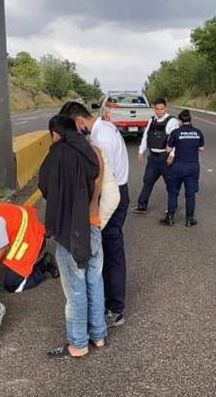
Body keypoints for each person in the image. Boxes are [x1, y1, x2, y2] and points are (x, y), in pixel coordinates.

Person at [39, 115, 107, 359]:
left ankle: (78, 344)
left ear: (55, 133)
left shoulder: (57, 155)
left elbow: (45, 187)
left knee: (75, 289)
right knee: (94, 282)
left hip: (70, 230)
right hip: (94, 223)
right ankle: (98, 336)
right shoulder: (93, 152)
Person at [59, 101, 129, 328]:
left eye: (74, 129)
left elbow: (103, 185)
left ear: (80, 122)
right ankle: (110, 304)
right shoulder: (105, 128)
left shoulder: (100, 141)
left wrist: (96, 222)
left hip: (113, 195)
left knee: (110, 253)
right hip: (118, 190)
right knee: (108, 252)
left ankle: (115, 308)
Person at [132, 98, 180, 214]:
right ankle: (142, 205)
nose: (159, 111)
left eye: (161, 109)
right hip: (153, 157)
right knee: (147, 180)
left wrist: (172, 155)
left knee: (170, 184)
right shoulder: (151, 120)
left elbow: (177, 140)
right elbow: (145, 136)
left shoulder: (172, 121)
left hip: (165, 157)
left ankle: (171, 209)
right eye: (157, 109)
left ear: (165, 108)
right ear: (154, 109)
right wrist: (141, 151)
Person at [161, 110, 204, 227]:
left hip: (178, 166)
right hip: (193, 166)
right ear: (190, 120)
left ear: (180, 121)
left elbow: (168, 150)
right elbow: (201, 149)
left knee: (173, 192)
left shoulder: (175, 132)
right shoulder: (198, 132)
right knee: (190, 194)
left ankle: (170, 217)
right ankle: (189, 219)